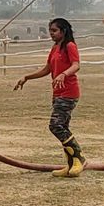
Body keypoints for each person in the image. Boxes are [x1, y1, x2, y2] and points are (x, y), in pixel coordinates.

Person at [13, 17, 85, 177]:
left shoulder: (70, 46)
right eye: (50, 30)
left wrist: (63, 74)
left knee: (56, 126)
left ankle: (79, 157)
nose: (51, 33)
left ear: (63, 31)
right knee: (63, 127)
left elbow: (76, 65)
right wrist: (27, 77)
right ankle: (71, 164)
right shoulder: (55, 48)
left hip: (69, 92)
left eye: (54, 30)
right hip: (57, 93)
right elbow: (47, 69)